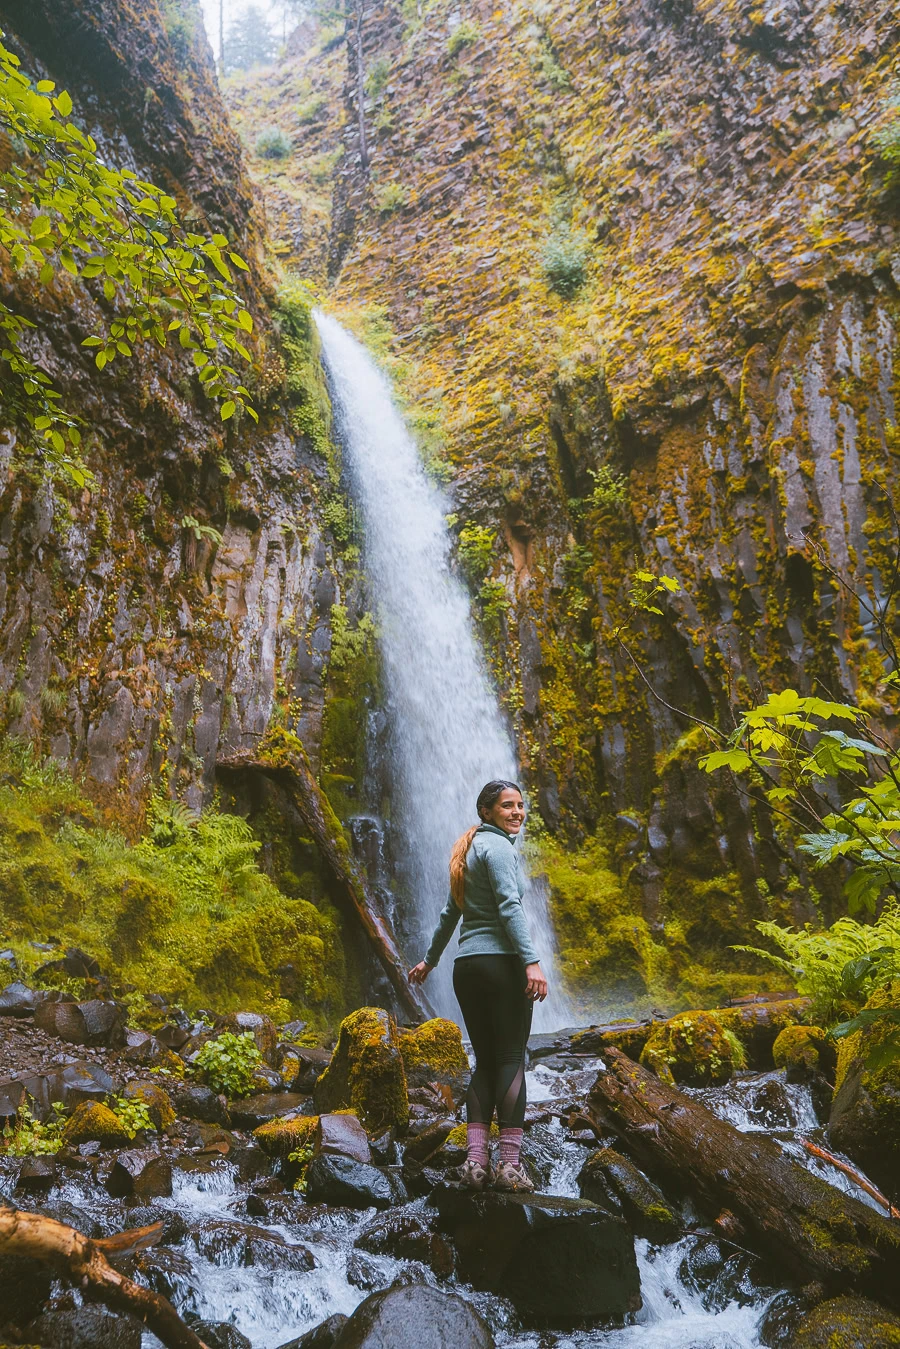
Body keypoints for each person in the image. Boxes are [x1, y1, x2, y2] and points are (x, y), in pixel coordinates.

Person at [408, 779, 548, 1192]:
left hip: (467, 968)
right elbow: (509, 905)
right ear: (486, 811)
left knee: (486, 1062)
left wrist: (430, 960)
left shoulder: (466, 852)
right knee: (510, 1060)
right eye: (508, 806)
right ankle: (508, 1166)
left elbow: (449, 914)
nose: (517, 812)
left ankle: (474, 1164)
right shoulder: (500, 848)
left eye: (521, 805)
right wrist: (532, 961)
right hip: (501, 965)